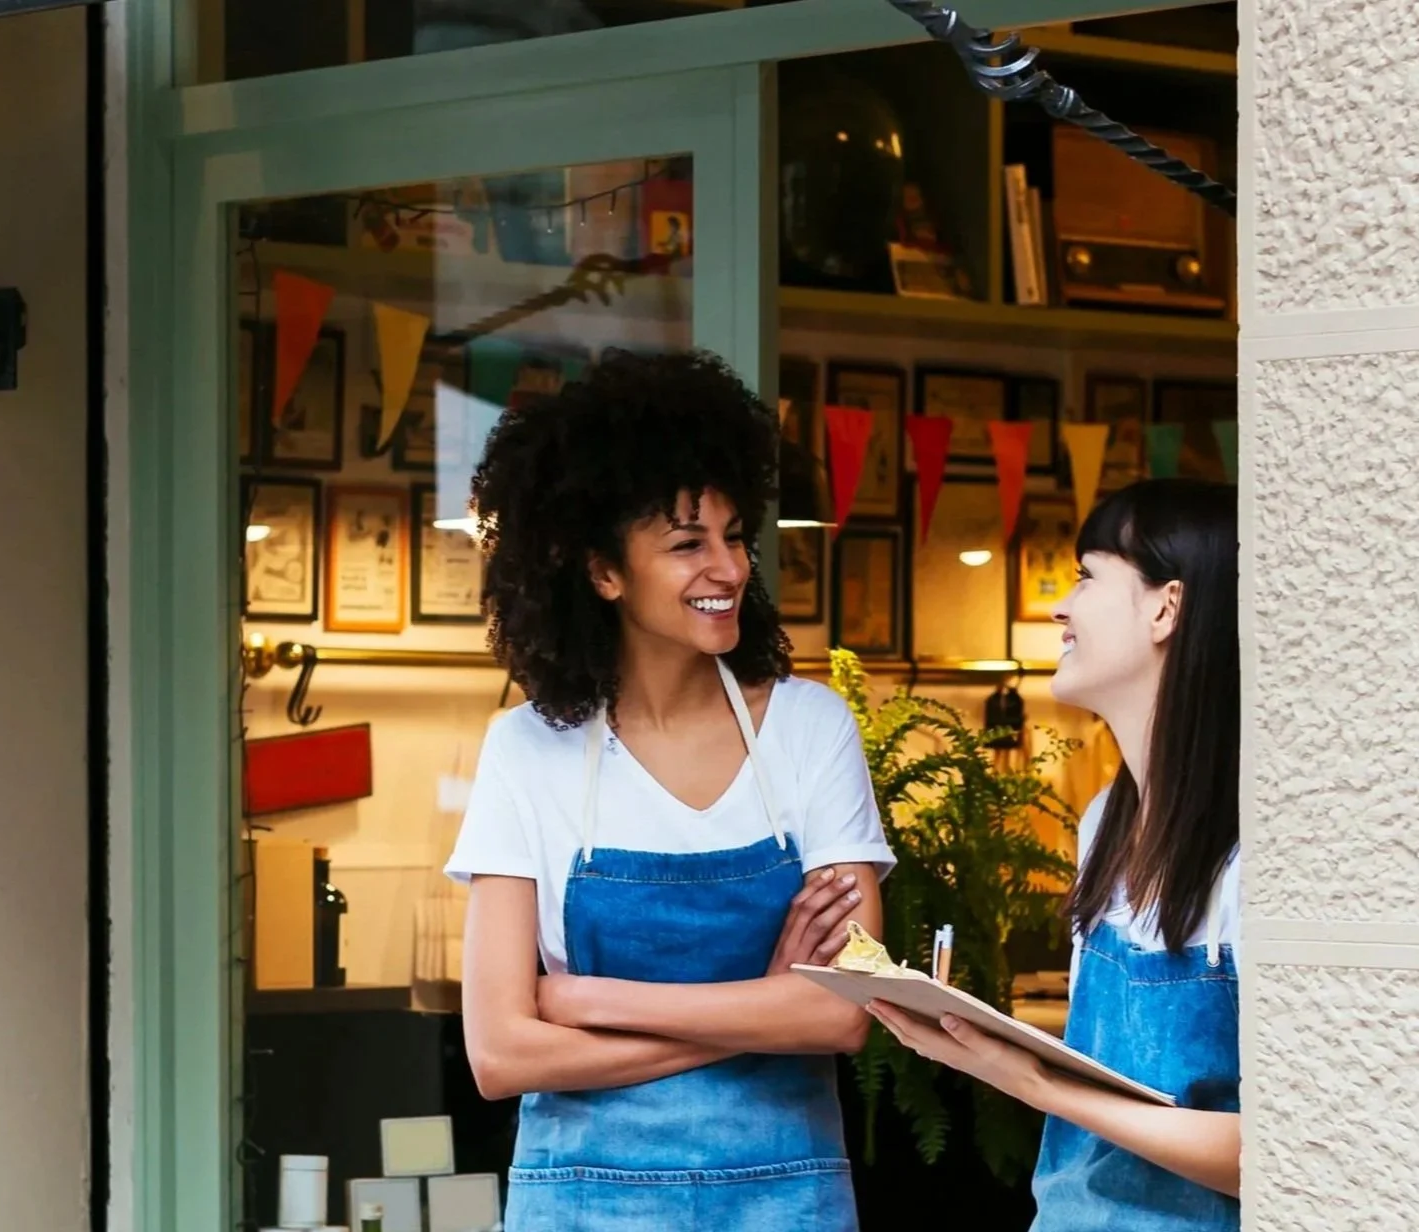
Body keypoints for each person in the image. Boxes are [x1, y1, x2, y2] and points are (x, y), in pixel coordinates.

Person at [442, 349, 896, 1231]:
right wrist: (767, 1004)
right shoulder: (526, 751)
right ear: (603, 571)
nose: (726, 569)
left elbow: (845, 1015)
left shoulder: (809, 730)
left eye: (734, 537)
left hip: (785, 1198)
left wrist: (584, 1001)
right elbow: (500, 1052)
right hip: (581, 1202)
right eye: (687, 544)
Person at [866, 477, 1240, 1229]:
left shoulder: (1254, 856)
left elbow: (1284, 1152)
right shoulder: (1104, 822)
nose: (1059, 606)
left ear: (1168, 606)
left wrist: (1029, 1080)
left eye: (1087, 574)